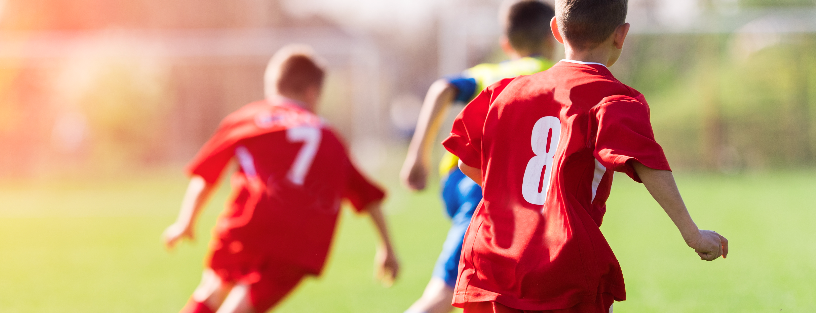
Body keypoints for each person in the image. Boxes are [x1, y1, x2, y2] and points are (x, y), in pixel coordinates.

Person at [441, 0, 729, 312]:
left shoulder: (503, 92)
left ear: (556, 31)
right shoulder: (614, 98)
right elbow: (647, 162)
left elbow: (467, 162)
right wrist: (693, 233)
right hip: (561, 262)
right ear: (621, 35)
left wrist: (516, 196)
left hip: (492, 261)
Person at [161, 44, 400, 313]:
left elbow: (206, 175)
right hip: (298, 243)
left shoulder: (248, 118)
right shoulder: (330, 137)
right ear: (312, 93)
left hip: (247, 226)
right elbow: (369, 198)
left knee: (211, 293)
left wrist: (186, 221)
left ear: (273, 85)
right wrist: (387, 247)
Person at [399, 1, 555, 312]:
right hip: (482, 190)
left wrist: (419, 155)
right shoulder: (554, 78)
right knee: (442, 295)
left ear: (506, 44)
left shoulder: (491, 72)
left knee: (493, 293)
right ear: (555, 38)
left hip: (462, 182)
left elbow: (444, 87)